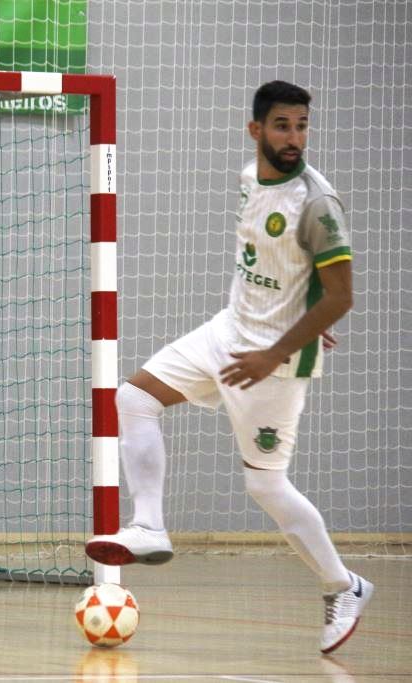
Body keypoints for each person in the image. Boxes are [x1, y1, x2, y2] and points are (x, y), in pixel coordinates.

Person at [85, 81, 371, 653]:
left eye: (302, 125)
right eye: (283, 125)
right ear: (256, 130)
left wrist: (280, 344)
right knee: (134, 398)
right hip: (227, 331)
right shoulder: (250, 178)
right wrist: (302, 307)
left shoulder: (317, 203)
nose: (295, 137)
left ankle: (343, 586)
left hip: (275, 362)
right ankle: (148, 525)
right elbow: (286, 271)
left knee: (264, 485)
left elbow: (342, 296)